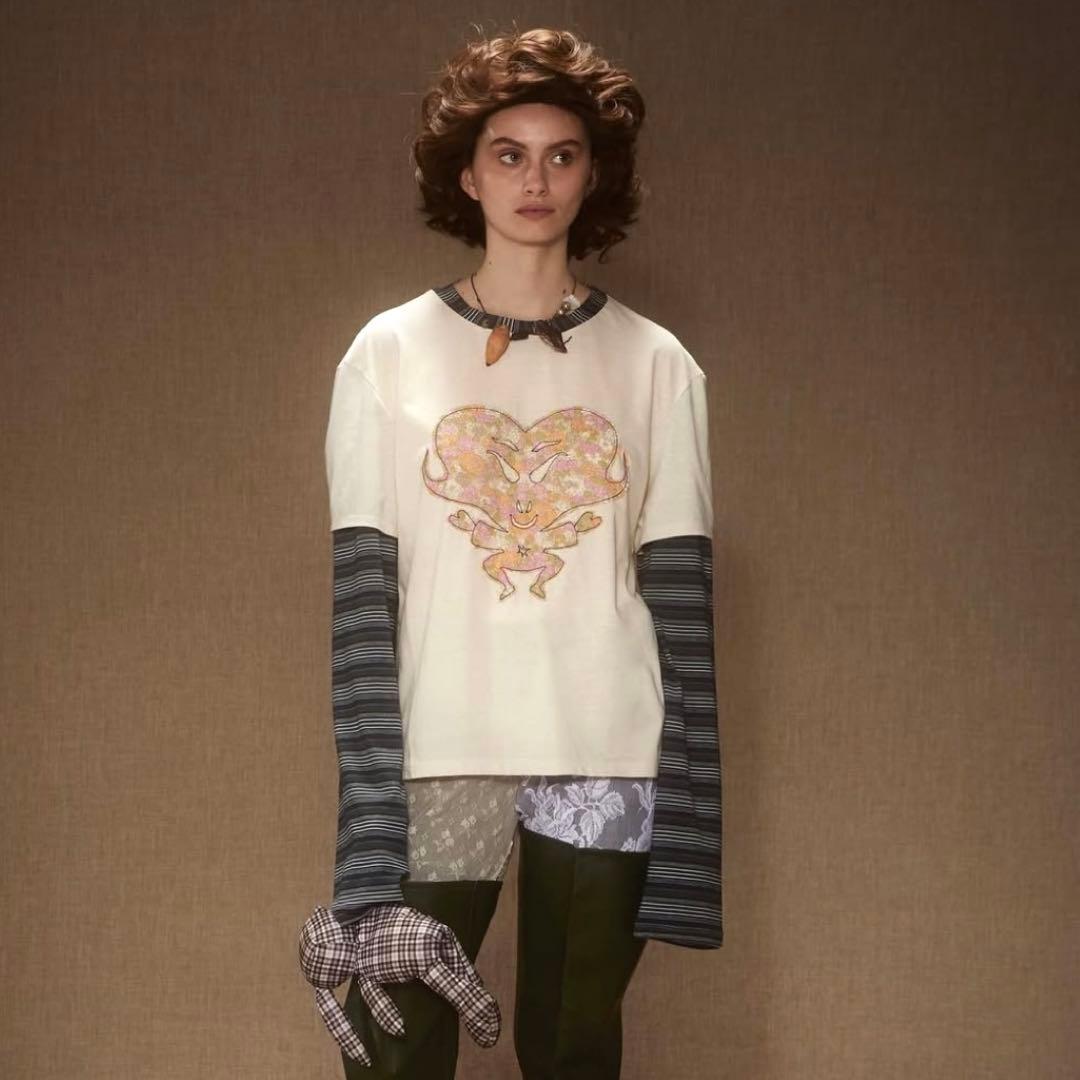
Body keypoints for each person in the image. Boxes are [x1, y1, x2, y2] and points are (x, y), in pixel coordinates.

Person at [317, 25, 722, 1079]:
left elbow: (681, 610)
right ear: (467, 174)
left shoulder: (658, 365)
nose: (535, 180)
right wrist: (367, 810)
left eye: (561, 155)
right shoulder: (387, 354)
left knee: (573, 1049)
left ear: (593, 175)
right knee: (393, 1047)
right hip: (441, 748)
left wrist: (691, 811)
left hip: (608, 751)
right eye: (509, 153)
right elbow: (363, 605)